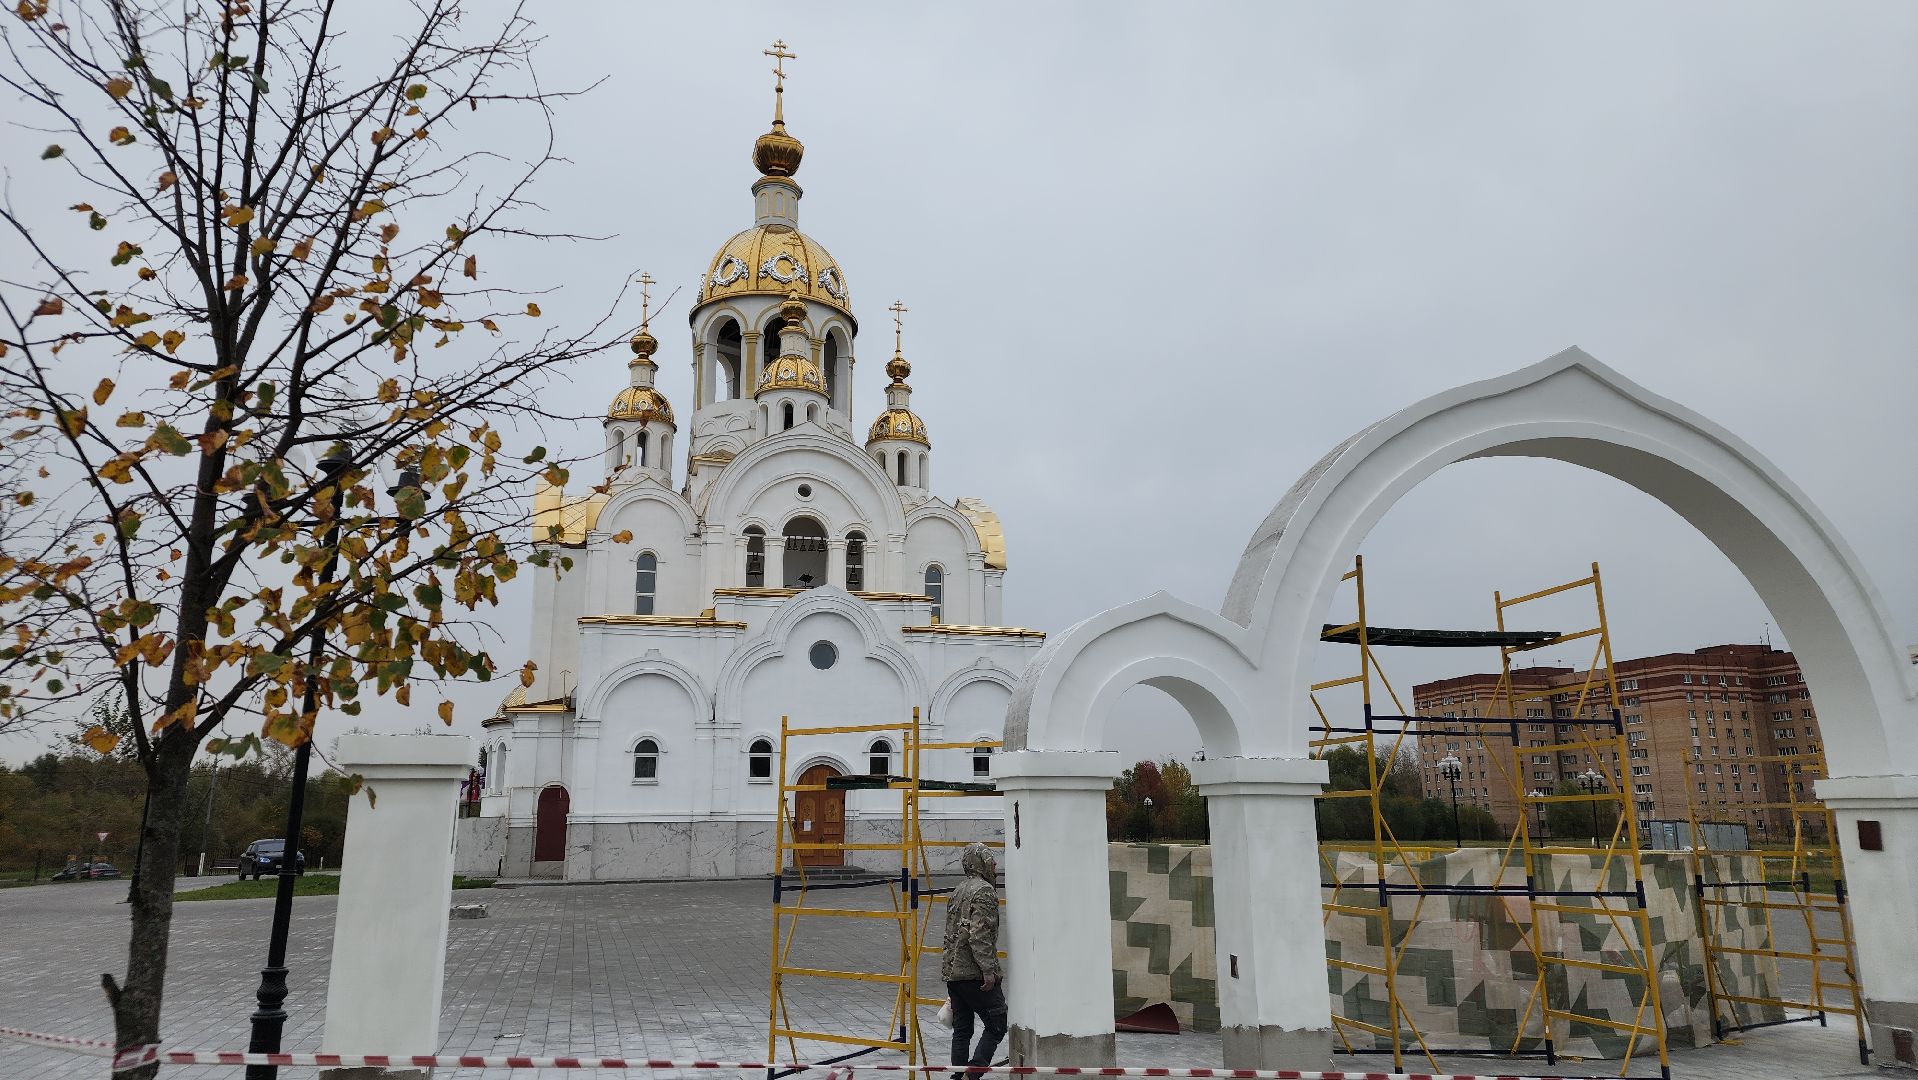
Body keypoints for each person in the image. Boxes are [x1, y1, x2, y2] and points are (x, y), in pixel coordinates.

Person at [942, 842, 1005, 1079]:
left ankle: (958, 1076)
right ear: (980, 863)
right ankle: (972, 1075)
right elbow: (979, 935)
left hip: (954, 973)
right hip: (974, 974)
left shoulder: (959, 890)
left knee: (962, 1029)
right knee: (997, 1023)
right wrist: (988, 970)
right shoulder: (984, 891)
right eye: (990, 858)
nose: (995, 863)